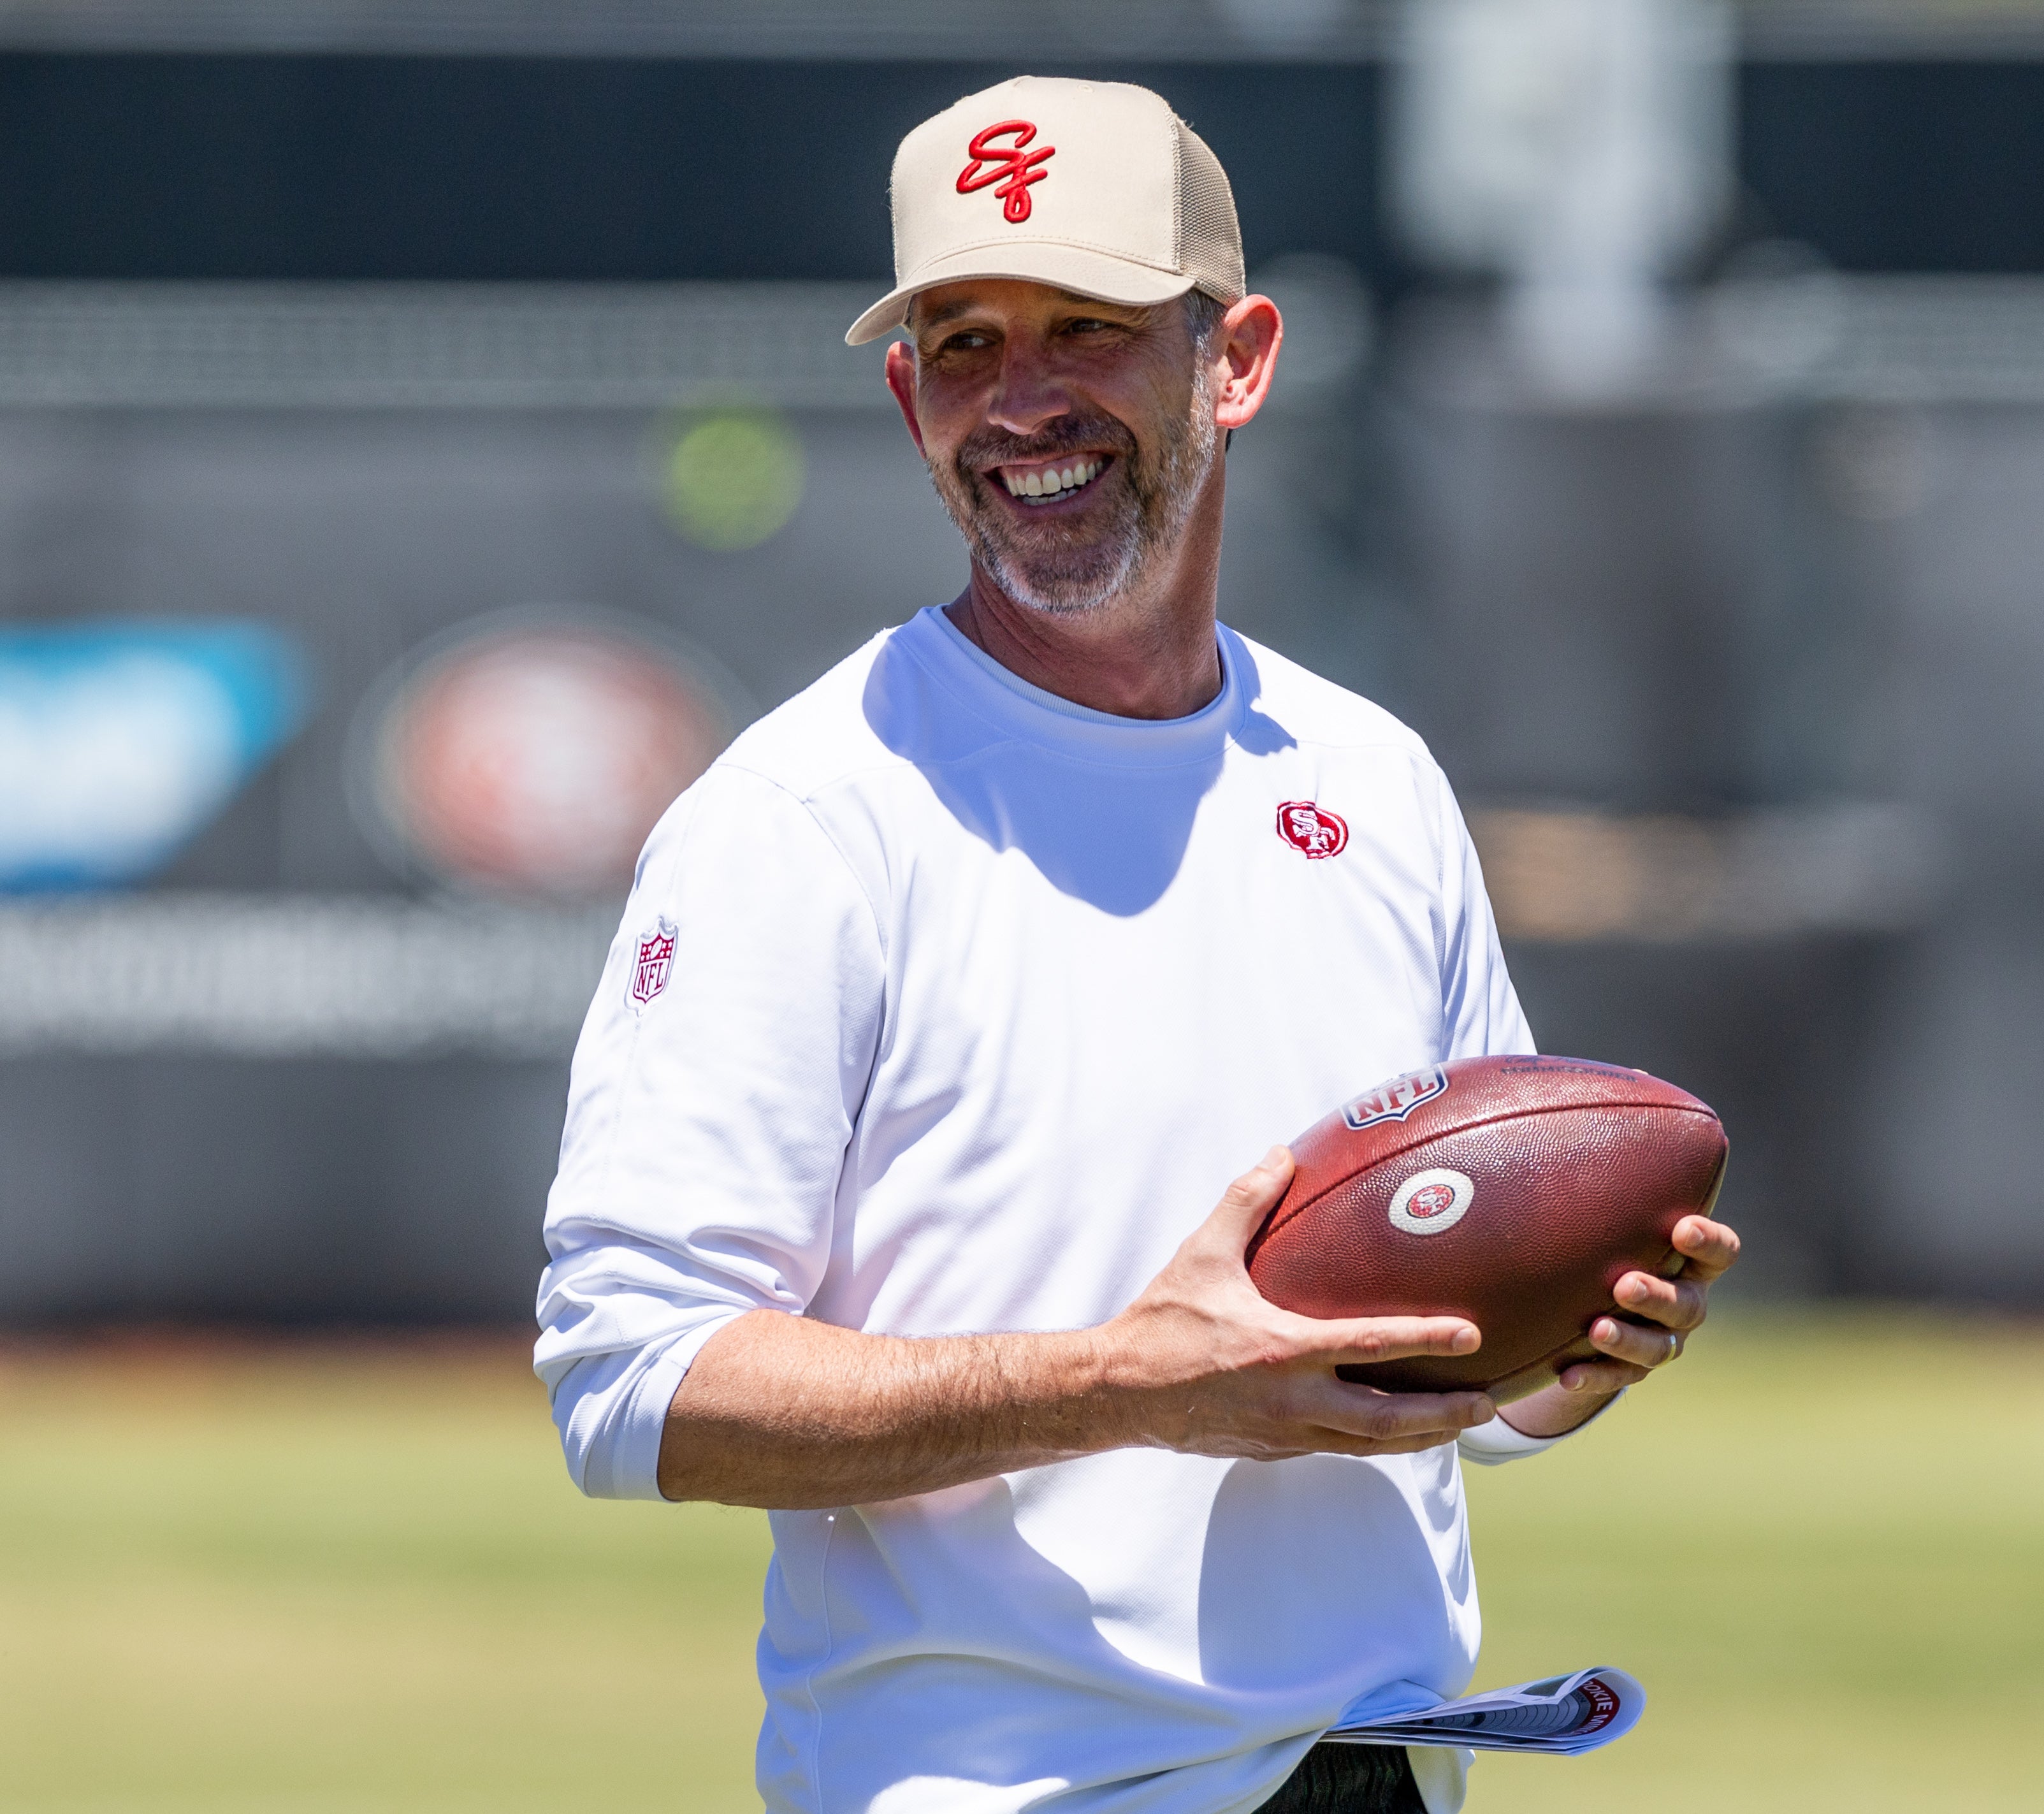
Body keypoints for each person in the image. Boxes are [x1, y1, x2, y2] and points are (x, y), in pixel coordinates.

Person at [532, 75, 1740, 1814]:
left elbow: (1448, 1396)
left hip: (1385, 1775)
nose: (1021, 403)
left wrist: (1566, 1349)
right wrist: (1136, 1385)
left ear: (1234, 361)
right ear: (903, 398)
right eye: (960, 342)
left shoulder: (1368, 781)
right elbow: (633, 1384)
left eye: (1085, 328)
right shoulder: (802, 814)